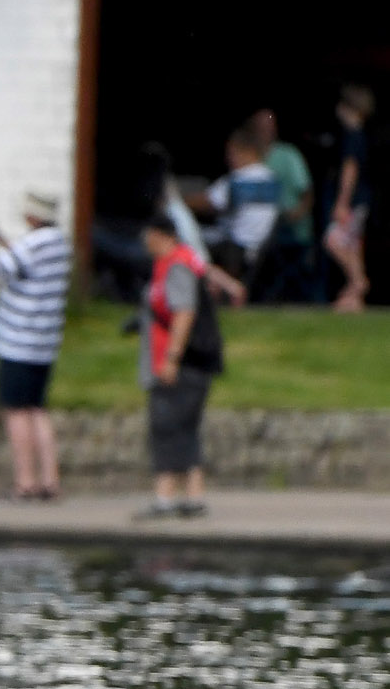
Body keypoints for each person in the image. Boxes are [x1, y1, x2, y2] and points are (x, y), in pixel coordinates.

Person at [134, 210, 244, 521]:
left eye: (149, 235)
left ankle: (165, 497)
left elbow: (184, 312)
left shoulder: (177, 267)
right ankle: (194, 496)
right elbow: (206, 271)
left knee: (167, 424)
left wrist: (172, 357)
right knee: (186, 426)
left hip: (182, 363)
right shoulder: (183, 260)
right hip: (190, 361)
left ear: (162, 236)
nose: (145, 241)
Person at [0, 189, 71, 501]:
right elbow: (21, 263)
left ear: (32, 215)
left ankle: (25, 482)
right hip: (44, 342)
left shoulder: (32, 244)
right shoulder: (58, 244)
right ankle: (50, 481)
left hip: (18, 342)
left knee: (16, 411)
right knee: (37, 409)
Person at [193, 127, 279, 284]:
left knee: (189, 238)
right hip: (262, 246)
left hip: (234, 246)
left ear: (248, 151)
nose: (228, 158)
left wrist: (179, 200)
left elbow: (207, 202)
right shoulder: (271, 180)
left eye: (231, 153)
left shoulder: (237, 180)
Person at [249, 108, 317, 303]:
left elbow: (307, 193)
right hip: (260, 229)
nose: (265, 132)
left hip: (289, 228)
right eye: (260, 128)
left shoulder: (287, 155)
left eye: (269, 127)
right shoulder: (251, 157)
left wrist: (297, 214)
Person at [325, 85, 374, 312]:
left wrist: (342, 202)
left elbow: (350, 169)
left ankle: (357, 281)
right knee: (352, 246)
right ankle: (355, 298)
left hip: (353, 201)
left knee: (333, 241)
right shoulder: (361, 135)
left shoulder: (352, 137)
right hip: (362, 200)